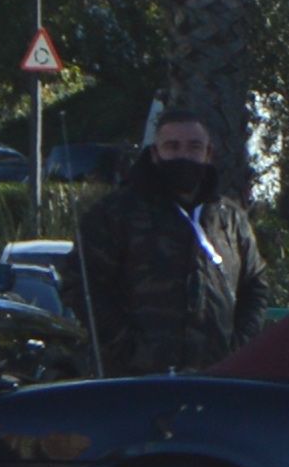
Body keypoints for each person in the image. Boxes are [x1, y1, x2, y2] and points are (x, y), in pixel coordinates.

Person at [70, 108, 269, 379]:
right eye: (172, 147)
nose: (184, 155)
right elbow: (80, 283)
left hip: (216, 381)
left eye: (194, 147)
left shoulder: (229, 219)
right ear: (155, 154)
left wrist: (238, 348)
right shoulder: (115, 214)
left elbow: (255, 284)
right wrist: (128, 346)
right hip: (133, 382)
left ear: (208, 153)